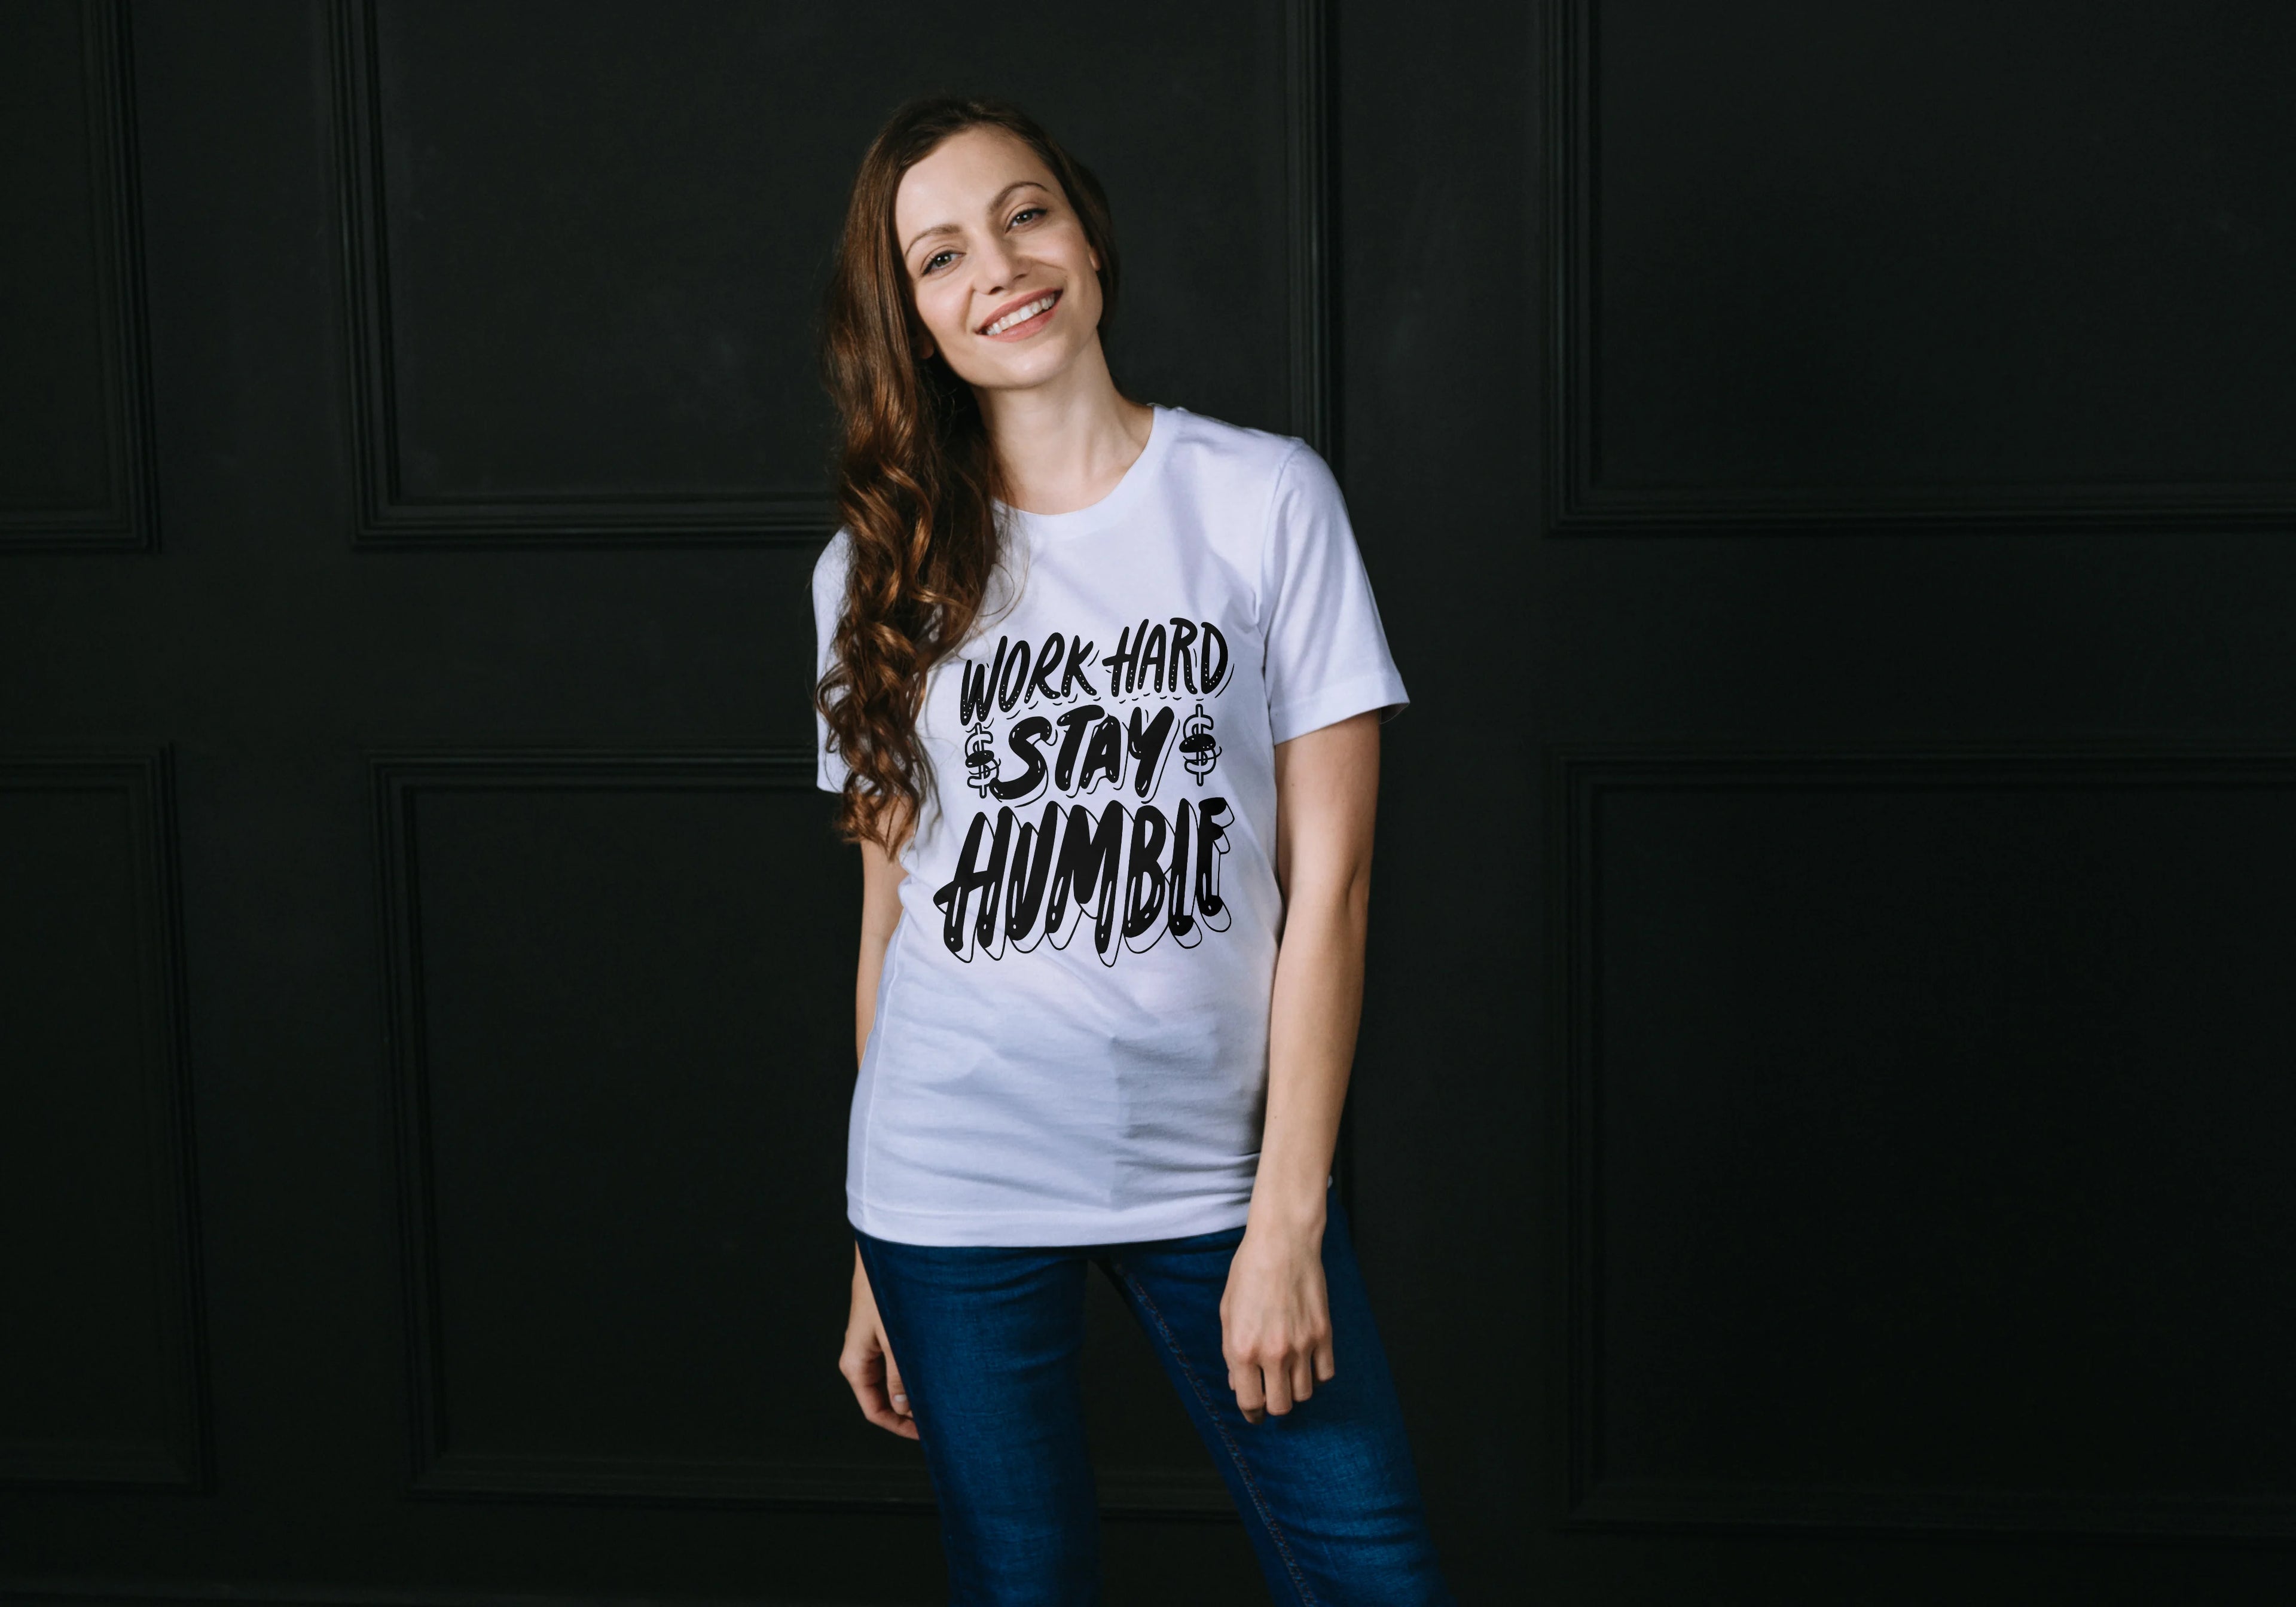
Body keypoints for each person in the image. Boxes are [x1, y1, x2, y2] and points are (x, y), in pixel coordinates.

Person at [810, 94, 1454, 1606]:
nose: (1000, 269)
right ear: (914, 320)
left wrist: (1288, 1216)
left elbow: (1333, 892)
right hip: (946, 1188)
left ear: (1088, 238)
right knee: (1025, 1587)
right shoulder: (874, 568)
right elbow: (890, 917)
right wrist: (869, 1249)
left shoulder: (1263, 499)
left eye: (1025, 215)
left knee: (1375, 1579)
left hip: (1219, 1177)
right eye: (941, 257)